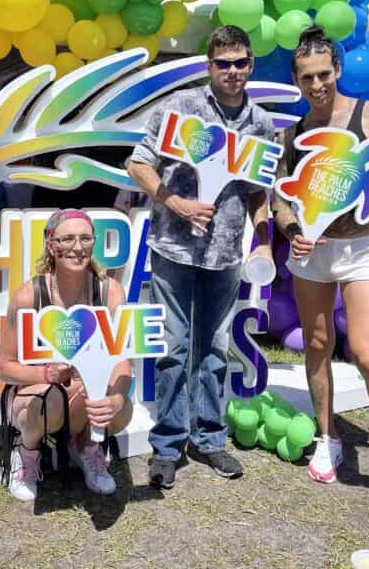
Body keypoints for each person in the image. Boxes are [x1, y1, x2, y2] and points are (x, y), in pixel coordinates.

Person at [272, 27, 369, 513]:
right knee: (316, 344)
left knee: (368, 352)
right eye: (308, 77)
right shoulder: (292, 134)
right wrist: (292, 227)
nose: (317, 85)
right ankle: (326, 435)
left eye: (324, 74)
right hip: (313, 253)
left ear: (337, 70)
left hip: (366, 248)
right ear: (296, 79)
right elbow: (280, 194)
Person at [126, 25, 274, 489]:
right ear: (209, 66)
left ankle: (210, 439)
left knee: (213, 348)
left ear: (251, 65)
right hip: (173, 247)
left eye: (241, 62)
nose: (232, 71)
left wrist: (264, 239)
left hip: (227, 252)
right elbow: (138, 163)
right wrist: (175, 202)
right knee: (174, 347)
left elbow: (258, 194)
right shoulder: (180, 108)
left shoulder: (261, 124)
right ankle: (168, 445)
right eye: (223, 63)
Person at [0, 209, 133, 502]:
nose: (76, 247)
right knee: (53, 397)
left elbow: (121, 359)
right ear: (50, 243)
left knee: (122, 408)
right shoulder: (29, 296)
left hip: (84, 391)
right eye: (67, 238)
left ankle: (85, 449)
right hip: (35, 392)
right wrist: (45, 374)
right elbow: (3, 368)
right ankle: (27, 453)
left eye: (85, 238)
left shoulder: (110, 292)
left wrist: (116, 398)